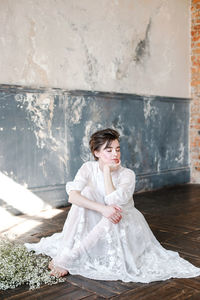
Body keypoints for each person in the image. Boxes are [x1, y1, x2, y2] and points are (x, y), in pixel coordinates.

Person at [25, 128, 200, 282]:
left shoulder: (127, 174)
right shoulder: (88, 168)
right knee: (85, 194)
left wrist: (108, 172)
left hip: (122, 221)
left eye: (117, 149)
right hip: (99, 216)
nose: (115, 154)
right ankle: (71, 252)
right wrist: (102, 209)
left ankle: (69, 258)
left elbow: (113, 203)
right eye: (108, 150)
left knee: (114, 212)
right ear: (96, 153)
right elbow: (72, 197)